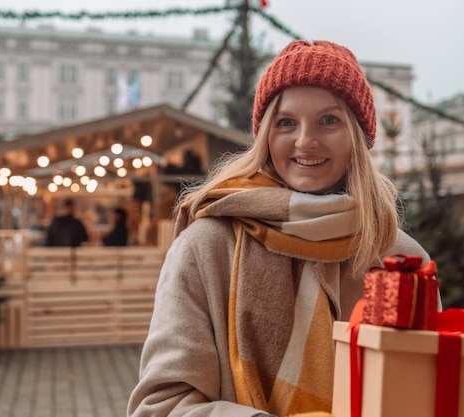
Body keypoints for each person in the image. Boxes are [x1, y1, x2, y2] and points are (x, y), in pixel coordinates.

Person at [127, 40, 430, 417]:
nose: (306, 140)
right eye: (286, 122)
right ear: (266, 136)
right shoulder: (206, 248)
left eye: (329, 120)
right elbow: (162, 406)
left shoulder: (402, 259)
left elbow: (425, 392)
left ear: (358, 136)